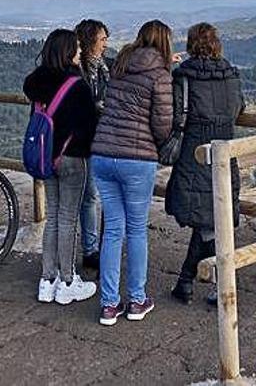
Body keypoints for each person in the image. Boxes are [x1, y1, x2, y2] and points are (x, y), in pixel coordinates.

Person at [91, 20, 174, 325]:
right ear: (164, 42)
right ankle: (137, 300)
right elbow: (163, 124)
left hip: (102, 154)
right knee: (137, 230)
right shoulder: (160, 75)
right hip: (137, 159)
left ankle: (109, 305)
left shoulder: (120, 67)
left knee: (113, 230)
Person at [165, 22, 244, 306]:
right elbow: (239, 108)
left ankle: (216, 283)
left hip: (194, 154)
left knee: (208, 220)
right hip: (226, 151)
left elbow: (174, 117)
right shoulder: (232, 76)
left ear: (190, 44)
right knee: (213, 219)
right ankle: (188, 282)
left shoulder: (183, 78)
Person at [24, 29, 98, 305]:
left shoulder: (36, 83)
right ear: (68, 51)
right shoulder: (76, 85)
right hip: (71, 158)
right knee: (68, 219)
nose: (80, 52)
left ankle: (48, 280)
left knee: (52, 218)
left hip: (45, 157)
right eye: (77, 48)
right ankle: (67, 281)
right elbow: (89, 127)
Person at [75, 19, 110, 270]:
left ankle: (92, 248)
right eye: (102, 39)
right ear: (89, 41)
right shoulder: (79, 72)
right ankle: (90, 249)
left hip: (99, 139)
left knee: (91, 195)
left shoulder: (104, 67)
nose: (106, 44)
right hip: (84, 141)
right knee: (89, 196)